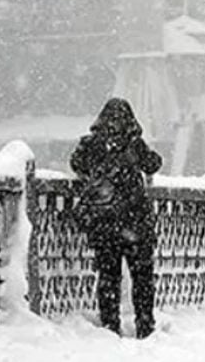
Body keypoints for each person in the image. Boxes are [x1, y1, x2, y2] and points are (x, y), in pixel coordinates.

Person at [70, 98, 163, 338]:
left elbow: (76, 163)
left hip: (105, 224)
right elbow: (153, 164)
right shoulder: (134, 145)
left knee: (108, 278)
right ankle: (145, 324)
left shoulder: (91, 144)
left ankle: (110, 326)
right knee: (142, 278)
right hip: (135, 223)